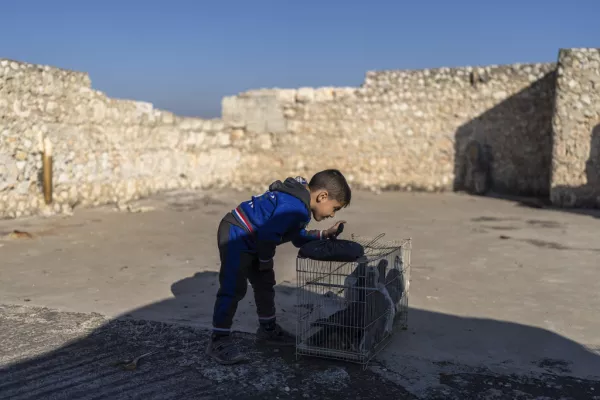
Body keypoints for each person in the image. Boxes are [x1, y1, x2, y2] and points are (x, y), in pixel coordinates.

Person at [206, 169, 352, 364]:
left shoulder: (298, 204)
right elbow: (268, 234)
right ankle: (219, 340)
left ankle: (268, 329)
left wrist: (323, 234)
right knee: (233, 287)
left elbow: (296, 236)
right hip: (237, 233)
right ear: (323, 196)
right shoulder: (295, 207)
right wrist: (265, 261)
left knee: (265, 283)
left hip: (253, 239)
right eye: (334, 208)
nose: (332, 214)